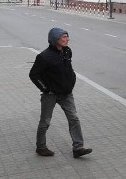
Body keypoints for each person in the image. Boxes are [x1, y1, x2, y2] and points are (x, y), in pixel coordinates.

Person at [28, 27, 92, 158]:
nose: (67, 39)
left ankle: (78, 147)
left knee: (74, 119)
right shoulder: (44, 57)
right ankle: (41, 147)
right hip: (50, 95)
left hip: (66, 93)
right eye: (64, 37)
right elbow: (33, 74)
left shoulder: (67, 51)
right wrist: (45, 88)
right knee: (45, 121)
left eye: (67, 36)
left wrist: (72, 80)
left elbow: (69, 68)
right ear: (55, 39)